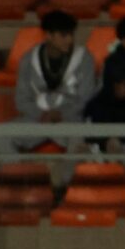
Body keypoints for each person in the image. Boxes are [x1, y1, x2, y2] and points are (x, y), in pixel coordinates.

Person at [10, 12, 95, 152]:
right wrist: (41, 114)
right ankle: (14, 172)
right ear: (48, 35)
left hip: (71, 120)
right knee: (3, 136)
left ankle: (68, 174)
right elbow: (21, 100)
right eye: (63, 35)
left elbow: (86, 98)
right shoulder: (28, 59)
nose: (69, 40)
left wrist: (62, 113)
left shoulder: (84, 58)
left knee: (79, 137)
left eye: (71, 35)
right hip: (37, 120)